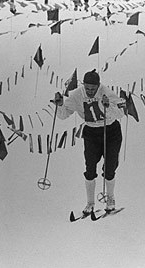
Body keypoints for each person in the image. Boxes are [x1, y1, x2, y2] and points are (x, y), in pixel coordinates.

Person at [53, 69, 125, 214]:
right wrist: (60, 105)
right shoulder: (77, 95)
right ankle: (90, 203)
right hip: (91, 133)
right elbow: (63, 115)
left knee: (110, 168)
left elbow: (121, 112)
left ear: (99, 85)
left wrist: (108, 106)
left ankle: (110, 198)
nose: (90, 91)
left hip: (110, 131)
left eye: (93, 89)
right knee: (90, 168)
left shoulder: (106, 92)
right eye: (87, 88)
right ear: (83, 85)